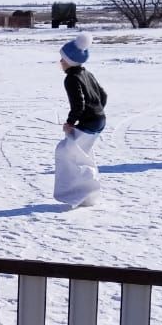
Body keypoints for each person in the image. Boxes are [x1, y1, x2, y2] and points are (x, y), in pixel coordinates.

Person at [53, 33, 108, 208]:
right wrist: (98, 111)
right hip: (98, 120)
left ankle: (81, 194)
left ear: (70, 60)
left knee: (67, 153)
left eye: (62, 59)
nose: (60, 62)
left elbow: (78, 104)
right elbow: (103, 95)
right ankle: (85, 194)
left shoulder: (71, 78)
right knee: (78, 154)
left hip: (90, 122)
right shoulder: (87, 73)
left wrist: (70, 123)